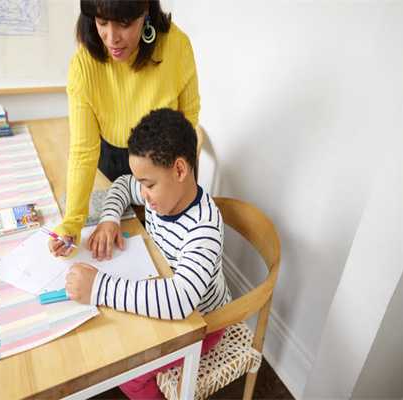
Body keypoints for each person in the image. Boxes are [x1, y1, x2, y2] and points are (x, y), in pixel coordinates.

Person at [64, 109, 232, 399]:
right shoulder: (162, 195)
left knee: (129, 372)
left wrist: (99, 287)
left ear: (179, 170)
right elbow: (121, 185)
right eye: (140, 182)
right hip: (162, 283)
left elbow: (180, 300)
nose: (142, 193)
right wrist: (110, 219)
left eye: (149, 184)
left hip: (204, 322)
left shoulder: (204, 228)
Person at [49, 0, 200, 257]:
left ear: (145, 12)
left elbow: (189, 118)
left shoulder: (176, 46)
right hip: (112, 157)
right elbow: (84, 152)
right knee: (129, 247)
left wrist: (173, 179)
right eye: (102, 22)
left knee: (166, 249)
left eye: (124, 23)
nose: (112, 38)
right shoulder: (84, 65)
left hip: (166, 161)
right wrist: (72, 221)